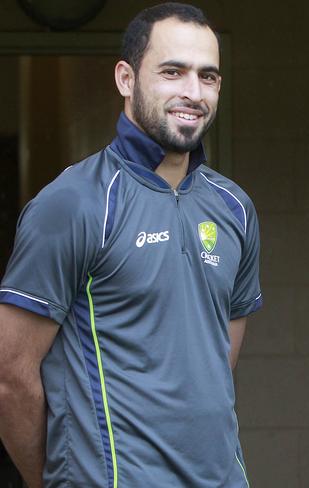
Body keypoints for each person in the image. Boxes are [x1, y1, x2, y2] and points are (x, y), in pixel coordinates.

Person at [0, 3, 262, 487]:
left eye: (208, 77)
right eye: (172, 71)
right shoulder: (73, 204)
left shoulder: (235, 208)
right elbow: (10, 378)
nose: (192, 91)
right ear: (126, 78)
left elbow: (216, 362)